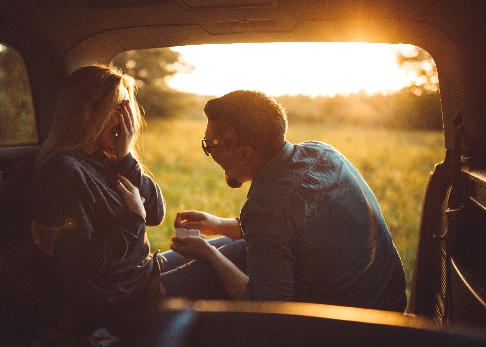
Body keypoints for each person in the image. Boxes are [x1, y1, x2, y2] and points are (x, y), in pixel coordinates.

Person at [171, 90, 407, 312]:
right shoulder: (322, 151)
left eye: (211, 145)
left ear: (244, 153)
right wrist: (221, 225)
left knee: (214, 267)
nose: (209, 153)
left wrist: (210, 255)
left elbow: (264, 307)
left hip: (349, 329)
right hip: (388, 299)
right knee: (236, 250)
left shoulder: (267, 206)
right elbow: (293, 230)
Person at [31, 64, 166, 330]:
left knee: (229, 250)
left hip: (142, 274)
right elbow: (81, 268)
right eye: (119, 108)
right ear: (89, 111)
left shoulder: (107, 159)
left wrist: (126, 157)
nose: (127, 119)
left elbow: (157, 213)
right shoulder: (65, 172)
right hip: (122, 298)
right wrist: (133, 220)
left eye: (128, 107)